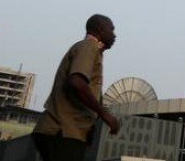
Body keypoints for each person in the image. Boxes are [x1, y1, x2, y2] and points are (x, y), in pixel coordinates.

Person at [32, 14, 121, 161]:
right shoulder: (88, 47)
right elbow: (76, 82)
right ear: (99, 29)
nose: (114, 35)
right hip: (62, 131)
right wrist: (104, 114)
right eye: (111, 29)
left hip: (68, 132)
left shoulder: (92, 51)